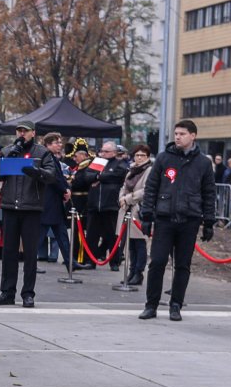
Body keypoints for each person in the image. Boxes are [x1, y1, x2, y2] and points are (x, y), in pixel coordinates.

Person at [138, 120, 216, 321]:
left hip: (189, 220)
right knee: (157, 262)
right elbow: (151, 189)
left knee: (182, 265)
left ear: (193, 136)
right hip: (165, 218)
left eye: (182, 133)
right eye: (176, 133)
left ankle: (175, 305)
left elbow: (209, 193)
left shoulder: (204, 163)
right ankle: (151, 305)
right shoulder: (164, 159)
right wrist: (147, 216)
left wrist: (209, 222)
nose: (178, 137)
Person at [0, 120, 58, 308]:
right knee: (9, 252)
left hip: (31, 208)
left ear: (33, 133)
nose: (21, 134)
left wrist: (36, 172)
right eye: (19, 131)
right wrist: (7, 159)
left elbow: (52, 175)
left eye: (25, 131)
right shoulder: (8, 150)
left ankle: (28, 293)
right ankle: (7, 292)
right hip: (11, 207)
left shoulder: (42, 152)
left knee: (29, 254)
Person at [39, 132, 86, 271]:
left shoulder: (53, 157)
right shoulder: (46, 157)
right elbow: (54, 178)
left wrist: (65, 188)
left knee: (62, 235)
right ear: (48, 144)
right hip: (48, 202)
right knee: (39, 236)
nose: (60, 145)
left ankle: (70, 261)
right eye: (56, 142)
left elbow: (59, 177)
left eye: (60, 142)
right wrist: (65, 190)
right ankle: (31, 263)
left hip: (55, 202)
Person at [82, 141, 128, 271]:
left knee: (111, 236)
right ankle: (90, 261)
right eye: (102, 151)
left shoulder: (120, 163)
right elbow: (87, 176)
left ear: (114, 152)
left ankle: (114, 262)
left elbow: (117, 176)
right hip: (94, 205)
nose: (103, 153)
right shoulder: (97, 162)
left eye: (106, 151)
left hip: (110, 205)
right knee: (91, 235)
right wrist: (97, 176)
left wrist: (99, 177)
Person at [117, 144, 153, 286]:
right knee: (130, 244)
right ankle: (131, 271)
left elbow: (146, 190)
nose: (139, 158)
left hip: (139, 210)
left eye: (142, 155)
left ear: (147, 157)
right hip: (127, 209)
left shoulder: (149, 170)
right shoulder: (131, 170)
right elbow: (124, 186)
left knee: (139, 243)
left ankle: (139, 273)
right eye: (137, 155)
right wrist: (122, 197)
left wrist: (128, 198)